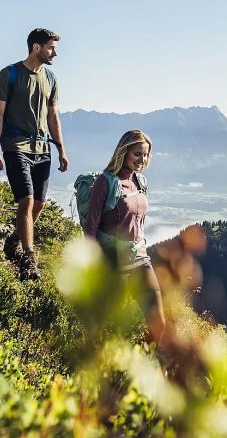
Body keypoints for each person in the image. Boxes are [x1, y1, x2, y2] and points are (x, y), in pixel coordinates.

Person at [0, 28, 69, 280]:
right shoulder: (9, 74)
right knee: (26, 200)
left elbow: (53, 116)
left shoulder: (51, 78)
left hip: (42, 149)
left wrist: (61, 149)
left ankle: (14, 239)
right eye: (51, 48)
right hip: (15, 146)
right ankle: (29, 258)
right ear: (36, 47)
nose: (54, 53)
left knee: (40, 204)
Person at [84, 130, 166, 341]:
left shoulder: (141, 182)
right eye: (137, 154)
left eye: (146, 155)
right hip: (113, 262)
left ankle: (142, 367)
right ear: (124, 152)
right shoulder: (106, 182)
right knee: (107, 325)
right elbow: (91, 227)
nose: (142, 159)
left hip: (140, 258)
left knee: (158, 323)